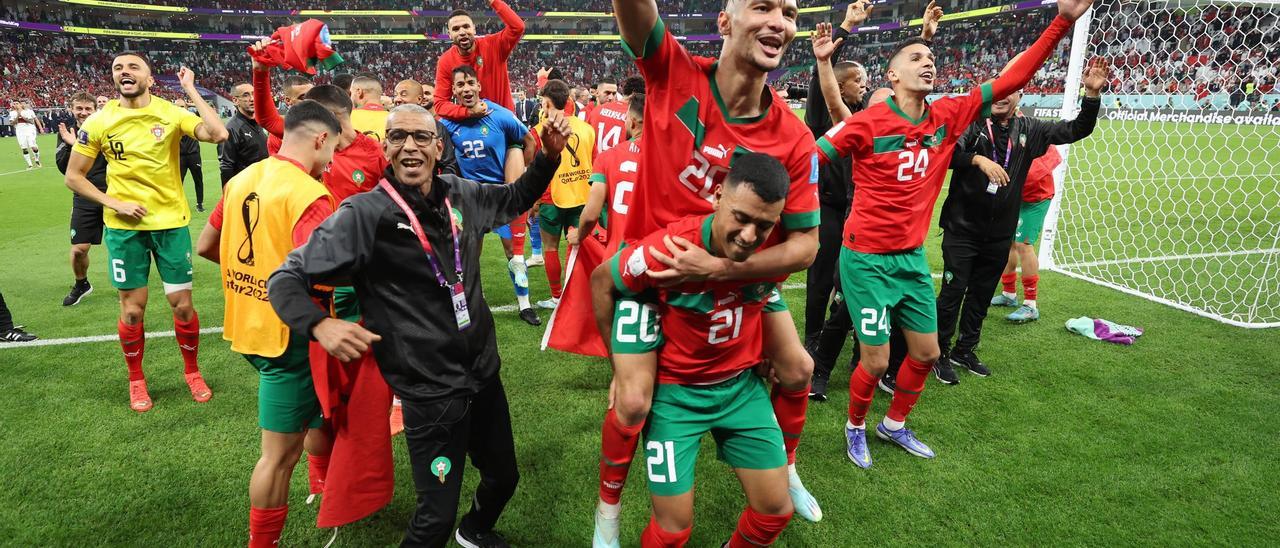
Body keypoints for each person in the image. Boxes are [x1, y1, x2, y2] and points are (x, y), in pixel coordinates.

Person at [267, 104, 572, 547]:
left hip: (484, 376)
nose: (410, 146)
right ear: (385, 147)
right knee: (434, 519)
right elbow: (285, 278)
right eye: (399, 137)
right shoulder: (364, 214)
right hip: (429, 393)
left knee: (503, 477)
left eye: (421, 137)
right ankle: (455, 528)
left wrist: (547, 157)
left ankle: (475, 532)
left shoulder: (462, 194)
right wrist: (318, 325)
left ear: (438, 146)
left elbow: (514, 198)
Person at [814, 0, 1094, 467]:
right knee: (878, 361)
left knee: (925, 352)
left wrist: (1062, 20)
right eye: (916, 59)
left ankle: (894, 425)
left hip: (909, 260)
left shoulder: (947, 117)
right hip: (864, 259)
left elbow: (1010, 81)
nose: (929, 63)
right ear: (893, 76)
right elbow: (809, 161)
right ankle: (856, 426)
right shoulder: (866, 123)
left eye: (931, 59)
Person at [592, 1, 827, 542]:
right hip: (653, 280)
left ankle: (785, 468)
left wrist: (721, 268)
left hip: (732, 271)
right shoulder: (674, 72)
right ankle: (608, 511)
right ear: (725, 21)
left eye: (789, 12)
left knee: (797, 368)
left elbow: (806, 246)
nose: (779, 21)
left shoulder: (792, 137)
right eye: (762, 6)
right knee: (631, 400)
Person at [592, 153, 798, 547]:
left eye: (764, 225)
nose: (750, 236)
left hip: (740, 389)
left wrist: (765, 346)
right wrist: (617, 364)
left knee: (775, 511)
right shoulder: (669, 250)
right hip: (677, 396)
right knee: (672, 532)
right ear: (717, 196)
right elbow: (603, 281)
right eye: (741, 217)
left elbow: (765, 291)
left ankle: (791, 469)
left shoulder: (780, 251)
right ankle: (607, 510)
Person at [195, 101, 340, 548]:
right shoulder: (309, 195)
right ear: (319, 139)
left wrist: (259, 275)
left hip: (249, 325)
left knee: (320, 413)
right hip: (291, 337)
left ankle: (322, 490)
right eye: (333, 148)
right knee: (278, 457)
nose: (333, 160)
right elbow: (329, 271)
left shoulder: (243, 178)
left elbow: (205, 245)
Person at [64, 52, 229, 412]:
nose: (125, 72)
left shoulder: (170, 113)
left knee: (182, 306)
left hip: (170, 226)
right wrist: (114, 203)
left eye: (133, 67)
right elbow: (73, 177)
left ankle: (192, 372)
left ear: (150, 78)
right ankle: (136, 380)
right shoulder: (99, 121)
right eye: (118, 68)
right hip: (125, 230)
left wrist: (191, 89)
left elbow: (218, 133)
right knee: (133, 311)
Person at [807, 5, 940, 400]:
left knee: (895, 322)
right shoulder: (859, 129)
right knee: (842, 310)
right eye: (878, 101)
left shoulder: (911, 130)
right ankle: (822, 368)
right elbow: (833, 102)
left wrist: (926, 41)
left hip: (898, 249)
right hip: (858, 240)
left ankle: (870, 369)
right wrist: (826, 59)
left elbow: (913, 82)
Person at [438, 65, 541, 326]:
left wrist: (519, 174)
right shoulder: (447, 123)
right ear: (454, 91)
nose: (466, 89)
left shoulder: (500, 115)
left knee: (514, 255)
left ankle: (525, 305)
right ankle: (475, 301)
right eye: (460, 85)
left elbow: (529, 141)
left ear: (479, 86)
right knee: (470, 254)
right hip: (470, 198)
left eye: (470, 83)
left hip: (501, 196)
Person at [532, 79, 595, 310]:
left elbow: (533, 170)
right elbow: (594, 163)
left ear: (547, 103)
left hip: (551, 197)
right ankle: (575, 295)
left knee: (550, 248)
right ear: (568, 101)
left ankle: (556, 297)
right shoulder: (587, 128)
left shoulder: (538, 131)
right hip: (582, 196)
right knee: (577, 246)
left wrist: (535, 200)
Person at [56, 92, 110, 307]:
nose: (83, 112)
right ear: (72, 109)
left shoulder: (106, 128)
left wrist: (78, 143)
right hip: (84, 196)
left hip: (113, 194)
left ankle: (129, 286)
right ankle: (81, 284)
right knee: (79, 248)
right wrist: (72, 144)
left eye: (88, 109)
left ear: (95, 110)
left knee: (125, 244)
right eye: (79, 108)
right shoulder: (66, 133)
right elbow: (63, 168)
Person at [433, 2, 525, 121]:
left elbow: (518, 27)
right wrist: (468, 112)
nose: (462, 32)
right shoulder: (445, 61)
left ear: (474, 29)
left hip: (504, 122)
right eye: (456, 29)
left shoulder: (494, 45)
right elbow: (440, 104)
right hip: (472, 125)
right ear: (449, 35)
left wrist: (494, 2)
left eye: (466, 26)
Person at [576, 93, 643, 253]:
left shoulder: (607, 157)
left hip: (618, 252)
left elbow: (591, 214)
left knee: (600, 278)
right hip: (654, 253)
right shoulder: (670, 159)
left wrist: (578, 235)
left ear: (633, 123)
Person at [218, 81, 269, 186]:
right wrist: (228, 195)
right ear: (235, 100)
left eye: (253, 94)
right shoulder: (231, 129)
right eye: (246, 95)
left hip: (265, 185)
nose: (252, 99)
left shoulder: (260, 122)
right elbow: (226, 166)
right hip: (247, 191)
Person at [586, 75, 642, 154]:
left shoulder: (597, 110)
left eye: (614, 93)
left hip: (595, 163)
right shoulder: (633, 116)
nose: (611, 97)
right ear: (634, 95)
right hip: (616, 163)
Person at [173, 97, 207, 212]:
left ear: (187, 108)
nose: (180, 109)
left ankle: (200, 203)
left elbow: (204, 109)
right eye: (177, 107)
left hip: (194, 155)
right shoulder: (171, 121)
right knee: (178, 182)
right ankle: (178, 205)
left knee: (198, 180)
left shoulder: (194, 118)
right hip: (180, 156)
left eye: (182, 107)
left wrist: (189, 103)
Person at [349, 73, 389, 141]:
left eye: (351, 93)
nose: (351, 97)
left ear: (359, 91)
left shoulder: (348, 118)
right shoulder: (395, 117)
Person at [10, 100, 44, 169]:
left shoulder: (28, 112)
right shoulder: (12, 113)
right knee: (24, 148)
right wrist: (17, 116)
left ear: (20, 104)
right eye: (14, 104)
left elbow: (31, 121)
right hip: (19, 131)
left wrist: (22, 116)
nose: (15, 105)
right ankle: (30, 165)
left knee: (33, 146)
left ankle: (37, 159)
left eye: (17, 103)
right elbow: (12, 123)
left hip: (29, 130)